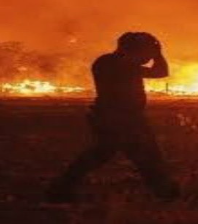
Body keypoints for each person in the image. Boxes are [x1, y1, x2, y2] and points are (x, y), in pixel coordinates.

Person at [46, 32, 180, 203]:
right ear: (133, 49)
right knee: (144, 155)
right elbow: (160, 72)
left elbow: (159, 72)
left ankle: (60, 189)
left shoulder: (111, 62)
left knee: (111, 154)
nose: (147, 56)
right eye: (145, 51)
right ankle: (165, 192)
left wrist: (154, 53)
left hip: (119, 117)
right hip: (119, 119)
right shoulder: (117, 63)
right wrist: (158, 54)